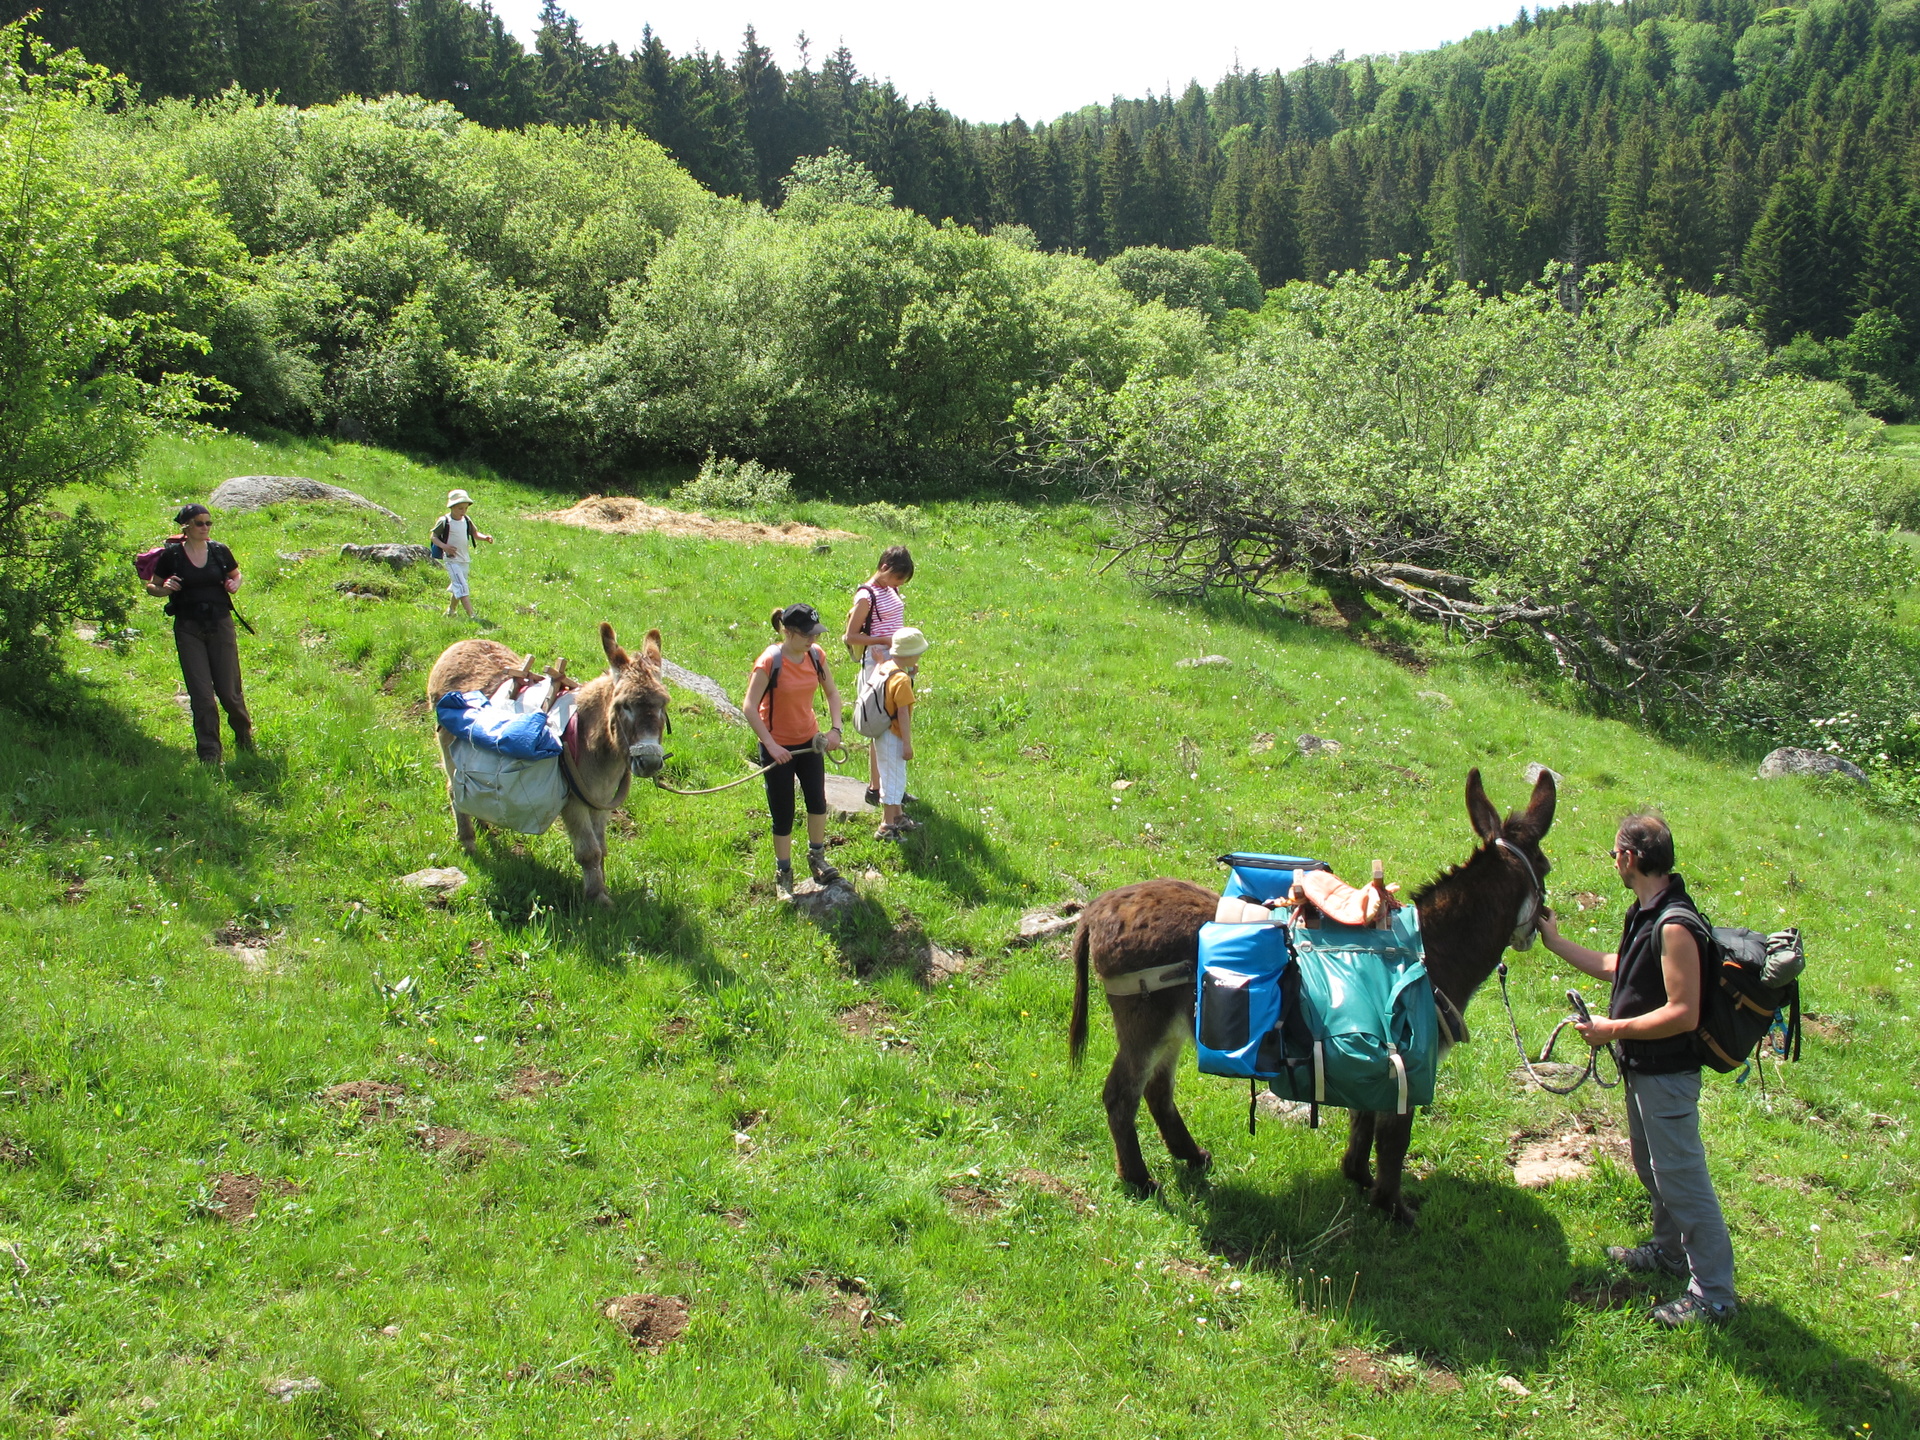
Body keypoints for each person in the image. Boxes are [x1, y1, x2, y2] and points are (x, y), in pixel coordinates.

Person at [1537, 812, 1736, 1328]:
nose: (1614, 863)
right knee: (1655, 1171)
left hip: (1667, 1074)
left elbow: (1683, 1012)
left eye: (1614, 854)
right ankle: (1668, 1251)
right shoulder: (1646, 912)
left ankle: (1714, 1294)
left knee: (1684, 1181)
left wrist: (1613, 1030)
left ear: (1629, 857)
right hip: (1643, 1069)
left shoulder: (1675, 924)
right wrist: (1556, 943)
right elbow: (1618, 967)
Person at [744, 603, 845, 896]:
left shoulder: (816, 656)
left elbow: (832, 693)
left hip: (809, 741)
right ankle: (783, 871)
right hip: (777, 746)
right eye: (806, 635)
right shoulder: (769, 662)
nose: (812, 640)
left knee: (817, 801)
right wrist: (771, 745)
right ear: (787, 632)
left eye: (815, 634)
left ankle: (817, 856)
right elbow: (749, 707)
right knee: (783, 811)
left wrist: (835, 729)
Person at [145, 504, 253, 764]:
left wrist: (233, 584)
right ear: (186, 527)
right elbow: (152, 586)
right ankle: (210, 754)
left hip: (220, 625)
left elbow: (236, 576)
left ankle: (244, 737)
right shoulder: (172, 556)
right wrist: (166, 588)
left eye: (208, 523)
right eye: (199, 523)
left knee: (229, 692)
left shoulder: (219, 551)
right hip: (188, 628)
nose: (205, 528)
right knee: (202, 695)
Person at [842, 546, 913, 807]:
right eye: (897, 578)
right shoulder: (866, 596)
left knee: (895, 724)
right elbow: (851, 636)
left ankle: (892, 786)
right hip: (877, 662)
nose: (899, 584)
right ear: (885, 567)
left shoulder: (889, 589)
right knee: (883, 724)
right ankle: (877, 787)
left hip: (895, 659)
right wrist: (885, 639)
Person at [870, 627, 928, 841]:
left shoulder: (886, 667)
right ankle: (886, 825)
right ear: (911, 655)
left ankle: (898, 816)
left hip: (881, 731)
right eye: (919, 653)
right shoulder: (902, 681)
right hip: (894, 734)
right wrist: (907, 743)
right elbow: (903, 713)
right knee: (894, 779)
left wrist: (909, 674)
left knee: (889, 774)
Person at [432, 489, 493, 619]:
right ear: (452, 507)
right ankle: (472, 615)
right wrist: (445, 547)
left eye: (465, 508)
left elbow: (474, 534)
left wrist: (485, 538)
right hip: (451, 559)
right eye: (460, 508)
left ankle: (451, 611)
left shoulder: (466, 520)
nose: (463, 511)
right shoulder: (445, 521)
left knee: (458, 586)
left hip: (464, 559)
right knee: (462, 586)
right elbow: (433, 537)